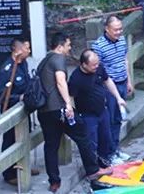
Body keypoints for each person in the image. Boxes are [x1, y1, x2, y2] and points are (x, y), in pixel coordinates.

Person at [38, 32, 112, 192]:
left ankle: (54, 181)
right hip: (59, 109)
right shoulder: (58, 59)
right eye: (68, 45)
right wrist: (68, 105)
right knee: (82, 135)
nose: (69, 48)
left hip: (44, 111)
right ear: (60, 46)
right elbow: (60, 82)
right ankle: (93, 171)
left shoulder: (43, 61)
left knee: (51, 145)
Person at [68, 50, 127, 169]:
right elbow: (70, 96)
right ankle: (94, 168)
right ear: (84, 64)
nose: (96, 66)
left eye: (97, 64)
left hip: (102, 111)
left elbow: (107, 80)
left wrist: (118, 97)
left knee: (106, 138)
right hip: (87, 115)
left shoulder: (99, 68)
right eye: (93, 65)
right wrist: (72, 112)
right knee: (92, 142)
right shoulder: (76, 78)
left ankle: (106, 161)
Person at [92, 15, 134, 163]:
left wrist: (129, 80)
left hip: (122, 82)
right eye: (115, 30)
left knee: (117, 119)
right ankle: (108, 152)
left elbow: (124, 60)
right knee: (109, 120)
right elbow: (97, 69)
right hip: (108, 87)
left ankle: (116, 148)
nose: (118, 32)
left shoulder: (122, 40)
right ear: (107, 29)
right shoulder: (99, 46)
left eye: (120, 29)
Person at [0, 38, 31, 184]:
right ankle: (9, 174)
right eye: (26, 48)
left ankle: (23, 166)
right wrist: (19, 97)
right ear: (17, 50)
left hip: (23, 110)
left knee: (24, 138)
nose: (29, 51)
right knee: (10, 141)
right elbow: (0, 95)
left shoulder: (24, 64)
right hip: (10, 111)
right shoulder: (7, 69)